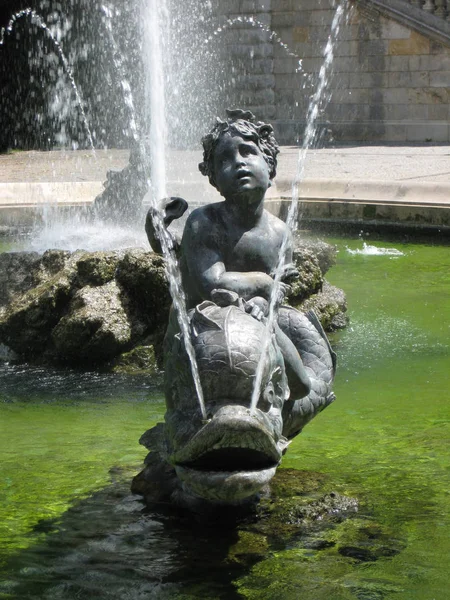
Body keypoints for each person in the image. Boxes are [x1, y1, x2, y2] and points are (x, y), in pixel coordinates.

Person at [178, 109, 311, 399]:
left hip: (257, 321)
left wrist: (264, 301)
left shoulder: (280, 233)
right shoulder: (204, 222)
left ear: (269, 164)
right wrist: (264, 283)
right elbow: (212, 284)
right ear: (214, 177)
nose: (238, 162)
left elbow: (280, 290)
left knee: (302, 385)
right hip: (203, 326)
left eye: (248, 152)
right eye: (224, 159)